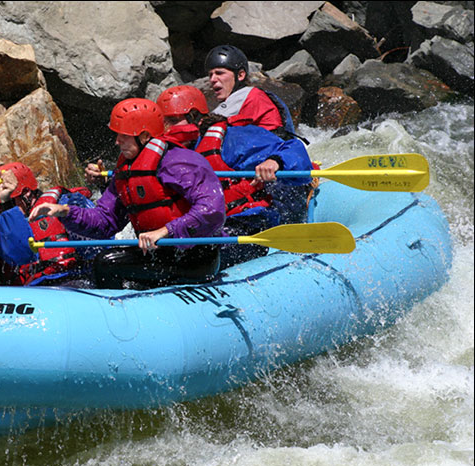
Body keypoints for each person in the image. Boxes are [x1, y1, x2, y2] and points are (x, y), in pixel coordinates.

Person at [28, 98, 225, 289]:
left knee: (107, 264)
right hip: (158, 255)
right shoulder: (127, 171)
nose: (117, 141)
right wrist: (64, 211)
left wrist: (166, 231)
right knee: (103, 262)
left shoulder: (180, 161)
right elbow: (105, 221)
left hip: (195, 257)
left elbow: (213, 210)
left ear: (145, 136)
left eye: (123, 135)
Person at [156, 84, 315, 267]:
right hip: (190, 230)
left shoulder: (232, 139)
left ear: (194, 117)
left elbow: (293, 148)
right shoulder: (162, 155)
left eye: (174, 120)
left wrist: (275, 161)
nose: (168, 128)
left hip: (245, 224)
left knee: (195, 257)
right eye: (164, 122)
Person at [0, 162, 96, 286]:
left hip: (73, 280)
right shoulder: (1, 225)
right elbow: (19, 254)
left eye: (10, 203)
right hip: (34, 290)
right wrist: (8, 207)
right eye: (1, 206)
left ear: (27, 193)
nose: (4, 211)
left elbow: (99, 237)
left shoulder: (65, 204)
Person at [205, 44, 297, 139]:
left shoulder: (248, 96)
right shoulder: (255, 95)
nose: (213, 79)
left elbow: (208, 124)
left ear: (240, 75)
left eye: (219, 73)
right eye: (210, 75)